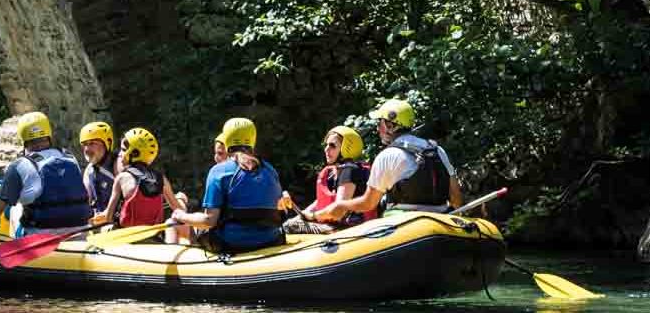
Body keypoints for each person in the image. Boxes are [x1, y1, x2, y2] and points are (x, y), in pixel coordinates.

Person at [312, 99, 463, 224]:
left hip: (404, 224)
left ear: (390, 126)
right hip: (440, 220)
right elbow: (456, 197)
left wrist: (341, 205)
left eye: (380, 123)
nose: (378, 128)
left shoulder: (387, 156)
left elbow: (368, 203)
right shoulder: (437, 150)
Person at [0, 111, 91, 236]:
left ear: (22, 139)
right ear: (49, 135)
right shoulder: (70, 158)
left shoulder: (20, 165)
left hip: (41, 238)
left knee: (15, 208)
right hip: (81, 233)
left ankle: (13, 237)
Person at [169, 117, 287, 254]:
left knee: (193, 226)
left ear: (227, 140)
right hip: (271, 240)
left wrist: (181, 216)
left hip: (231, 243)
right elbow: (279, 209)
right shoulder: (270, 170)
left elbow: (209, 221)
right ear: (253, 140)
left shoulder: (218, 171)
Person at [95, 127, 191, 243]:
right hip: (152, 237)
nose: (120, 154)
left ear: (133, 153)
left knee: (103, 229)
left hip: (125, 237)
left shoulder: (122, 177)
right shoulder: (161, 179)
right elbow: (178, 209)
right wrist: (181, 199)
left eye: (123, 149)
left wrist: (97, 218)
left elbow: (108, 217)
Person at [280, 125, 374, 235]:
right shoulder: (332, 172)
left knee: (289, 227)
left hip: (351, 228)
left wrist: (313, 216)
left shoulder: (349, 170)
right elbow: (321, 202)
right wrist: (302, 215)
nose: (326, 149)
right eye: (326, 145)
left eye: (332, 146)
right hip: (336, 225)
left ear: (347, 148)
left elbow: (339, 210)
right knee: (291, 223)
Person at [78, 121, 116, 220]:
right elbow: (86, 200)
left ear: (107, 143)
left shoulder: (118, 164)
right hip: (98, 221)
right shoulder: (89, 170)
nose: (87, 149)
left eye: (92, 143)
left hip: (117, 221)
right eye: (84, 144)